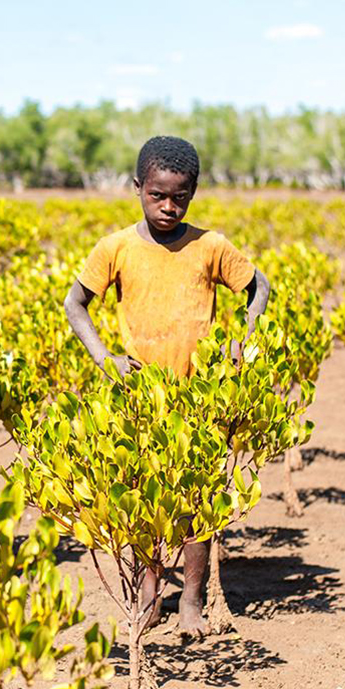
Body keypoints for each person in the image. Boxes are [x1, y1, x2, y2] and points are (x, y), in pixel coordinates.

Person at [63, 135, 271, 637]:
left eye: (179, 196)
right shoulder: (115, 247)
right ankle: (150, 595)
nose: (168, 206)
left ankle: (192, 601)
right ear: (137, 188)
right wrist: (104, 357)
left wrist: (243, 340)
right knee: (146, 502)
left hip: (199, 397)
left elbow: (259, 286)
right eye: (157, 195)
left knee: (196, 506)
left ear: (193, 192)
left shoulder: (211, 246)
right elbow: (75, 304)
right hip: (140, 399)